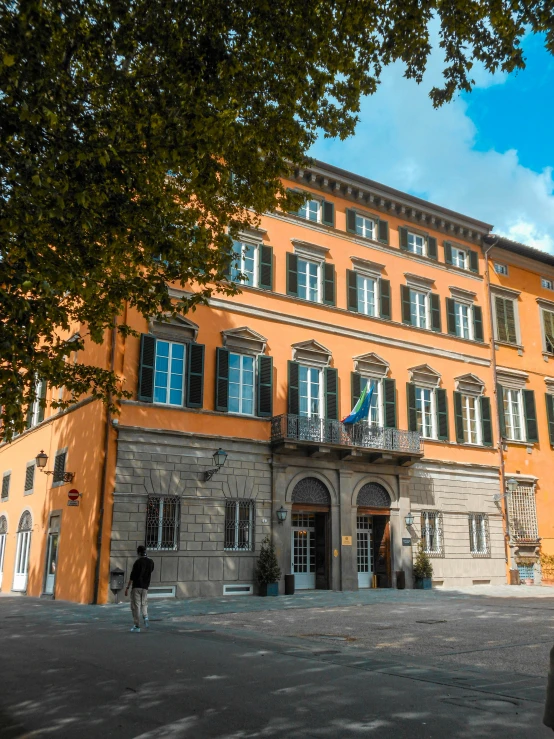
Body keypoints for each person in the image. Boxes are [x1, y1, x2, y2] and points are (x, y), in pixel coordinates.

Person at [125, 545, 155, 633]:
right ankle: (145, 616)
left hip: (137, 586)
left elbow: (132, 576)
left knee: (136, 606)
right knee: (144, 603)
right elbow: (151, 571)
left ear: (138, 553)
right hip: (145, 586)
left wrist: (127, 587)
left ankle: (137, 626)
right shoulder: (151, 562)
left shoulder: (137, 562)